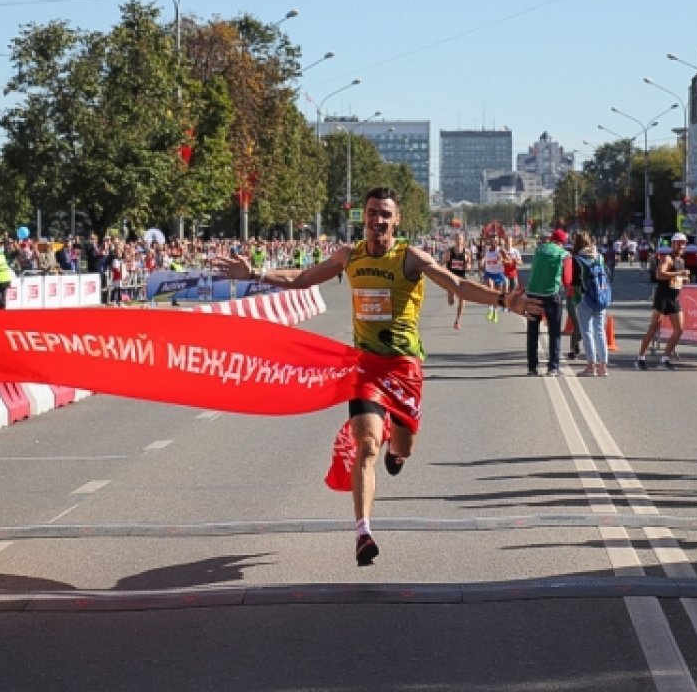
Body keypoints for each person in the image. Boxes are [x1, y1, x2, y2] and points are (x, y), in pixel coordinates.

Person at [213, 187, 528, 566]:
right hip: (365, 368)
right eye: (372, 213)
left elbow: (456, 284)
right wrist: (256, 273)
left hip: (404, 369)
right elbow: (303, 278)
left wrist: (502, 300)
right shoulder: (350, 256)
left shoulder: (411, 258)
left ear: (396, 221)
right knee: (366, 445)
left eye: (385, 215)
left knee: (403, 448)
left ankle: (398, 448)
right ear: (363, 217)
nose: (377, 220)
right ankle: (363, 530)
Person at [635, 232, 691, 370]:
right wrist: (679, 274)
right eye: (678, 243)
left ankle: (664, 359)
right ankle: (640, 358)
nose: (681, 245)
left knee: (679, 330)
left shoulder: (681, 261)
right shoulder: (668, 258)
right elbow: (659, 274)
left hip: (673, 298)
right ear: (673, 244)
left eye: (683, 243)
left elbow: (674, 278)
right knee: (653, 328)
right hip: (662, 298)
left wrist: (683, 279)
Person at [525, 229, 573, 377]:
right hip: (552, 294)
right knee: (554, 332)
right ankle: (553, 367)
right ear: (562, 242)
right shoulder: (564, 254)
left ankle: (532, 367)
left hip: (533, 292)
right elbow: (567, 278)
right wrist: (570, 291)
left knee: (533, 331)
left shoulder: (539, 250)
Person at [572, 231, 611, 377]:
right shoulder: (599, 257)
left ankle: (590, 366)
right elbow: (608, 275)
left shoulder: (577, 259)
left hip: (584, 298)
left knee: (587, 331)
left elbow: (574, 281)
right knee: (600, 331)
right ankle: (603, 366)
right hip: (601, 297)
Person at [444, 234, 470, 330]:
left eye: (460, 239)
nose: (459, 241)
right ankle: (450, 294)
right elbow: (442, 262)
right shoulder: (449, 252)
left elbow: (469, 264)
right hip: (451, 278)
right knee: (451, 302)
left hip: (461, 278)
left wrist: (468, 266)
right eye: (457, 239)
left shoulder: (466, 252)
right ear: (455, 240)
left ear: (463, 241)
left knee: (462, 299)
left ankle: (458, 320)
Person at [481, 237, 506, 322]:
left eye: (495, 241)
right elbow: (483, 258)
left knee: (497, 294)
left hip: (498, 273)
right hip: (489, 273)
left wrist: (502, 259)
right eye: (492, 241)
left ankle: (495, 312)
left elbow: (508, 259)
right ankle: (490, 309)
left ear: (497, 242)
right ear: (490, 241)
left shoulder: (500, 250)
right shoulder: (486, 250)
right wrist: (482, 262)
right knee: (490, 289)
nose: (493, 242)